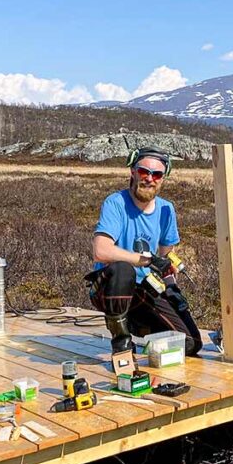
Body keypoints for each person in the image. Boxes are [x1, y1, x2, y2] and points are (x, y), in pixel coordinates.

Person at [86, 147, 202, 356]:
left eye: (156, 174)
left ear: (163, 178)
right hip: (109, 287)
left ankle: (137, 326)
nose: (149, 178)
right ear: (132, 171)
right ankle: (122, 344)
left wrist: (172, 290)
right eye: (144, 172)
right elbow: (101, 251)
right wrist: (146, 261)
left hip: (145, 289)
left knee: (190, 343)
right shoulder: (116, 202)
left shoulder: (166, 210)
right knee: (123, 269)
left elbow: (166, 258)